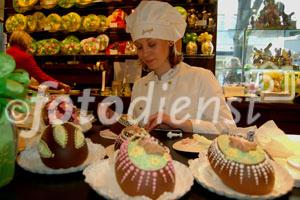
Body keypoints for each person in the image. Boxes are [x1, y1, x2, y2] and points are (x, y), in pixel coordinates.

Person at [111, 1, 236, 134]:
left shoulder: (202, 78)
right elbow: (138, 129)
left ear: (170, 42)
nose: (145, 53)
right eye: (140, 47)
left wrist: (180, 123)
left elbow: (227, 128)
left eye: (152, 44)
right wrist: (118, 120)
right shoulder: (139, 86)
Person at [6, 30, 70, 92]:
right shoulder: (25, 57)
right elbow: (42, 78)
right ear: (25, 42)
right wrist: (60, 85)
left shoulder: (5, 53)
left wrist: (31, 87)